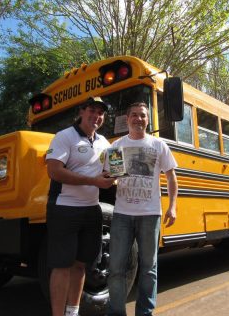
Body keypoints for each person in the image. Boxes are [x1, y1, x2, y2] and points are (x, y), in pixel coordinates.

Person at [106, 102, 178, 316]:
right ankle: (116, 312)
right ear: (127, 119)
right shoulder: (117, 145)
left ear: (148, 120)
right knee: (116, 268)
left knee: (149, 268)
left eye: (143, 116)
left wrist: (173, 206)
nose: (138, 119)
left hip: (150, 214)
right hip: (122, 215)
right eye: (134, 115)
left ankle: (145, 312)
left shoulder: (158, 145)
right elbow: (112, 177)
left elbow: (171, 177)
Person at [45, 97, 116, 316]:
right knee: (62, 266)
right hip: (64, 208)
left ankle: (72, 312)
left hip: (91, 210)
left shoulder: (104, 142)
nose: (96, 116)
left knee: (81, 265)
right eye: (92, 111)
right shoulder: (64, 136)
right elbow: (54, 171)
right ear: (81, 112)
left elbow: (113, 171)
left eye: (101, 113)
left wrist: (116, 178)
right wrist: (94, 181)